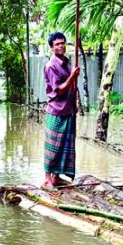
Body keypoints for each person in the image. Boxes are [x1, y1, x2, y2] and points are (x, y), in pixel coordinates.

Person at [42, 31, 80, 190]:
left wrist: (75, 102)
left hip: (68, 109)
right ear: (51, 47)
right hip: (56, 111)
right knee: (53, 146)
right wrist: (72, 76)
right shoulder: (51, 66)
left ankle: (57, 177)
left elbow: (71, 87)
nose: (61, 46)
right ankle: (47, 179)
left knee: (65, 145)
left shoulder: (66, 61)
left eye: (63, 43)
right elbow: (58, 90)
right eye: (57, 44)